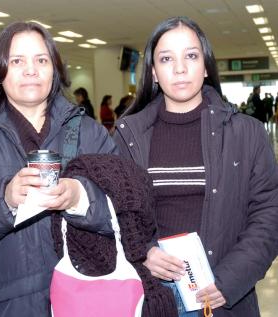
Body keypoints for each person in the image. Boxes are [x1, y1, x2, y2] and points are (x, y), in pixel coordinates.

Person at [0, 21, 117, 317]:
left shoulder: (89, 133)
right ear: (0, 70)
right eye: (17, 61)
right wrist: (3, 199)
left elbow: (129, 206)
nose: (31, 70)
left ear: (54, 70)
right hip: (1, 302)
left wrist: (80, 198)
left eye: (41, 60)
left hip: (83, 294)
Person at [114, 16, 278, 317]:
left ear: (205, 67)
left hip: (224, 296)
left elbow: (269, 214)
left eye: (191, 56)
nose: (179, 68)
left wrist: (228, 281)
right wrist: (143, 252)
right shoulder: (129, 135)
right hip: (154, 296)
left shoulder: (246, 133)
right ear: (153, 71)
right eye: (166, 59)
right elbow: (116, 212)